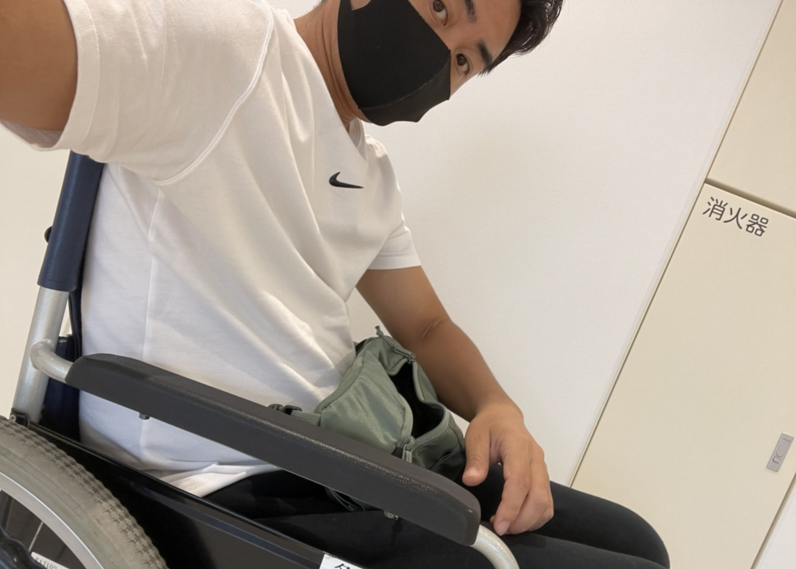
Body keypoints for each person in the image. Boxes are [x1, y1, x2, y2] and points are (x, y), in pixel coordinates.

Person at [0, 0, 670, 566]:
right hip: (224, 476)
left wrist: (498, 406)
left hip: (334, 453)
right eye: (443, 8)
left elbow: (427, 326)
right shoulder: (228, 56)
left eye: (467, 60)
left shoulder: (368, 171)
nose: (441, 56)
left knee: (637, 542)